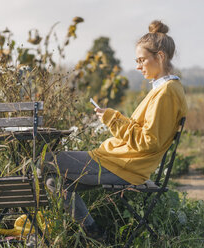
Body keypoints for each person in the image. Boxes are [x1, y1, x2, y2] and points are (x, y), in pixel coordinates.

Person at [44, 20, 188, 242]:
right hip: (121, 161)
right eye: (137, 61)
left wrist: (113, 119)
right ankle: (95, 235)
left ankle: (50, 233)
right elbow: (145, 132)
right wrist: (115, 118)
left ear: (159, 57)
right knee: (54, 182)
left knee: (44, 161)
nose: (138, 66)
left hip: (124, 166)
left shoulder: (166, 93)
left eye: (142, 60)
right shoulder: (164, 89)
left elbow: (149, 141)